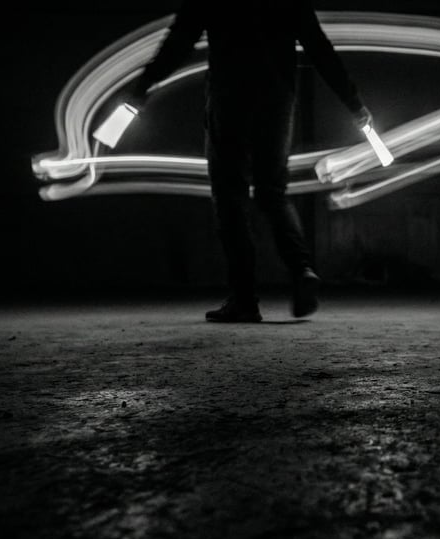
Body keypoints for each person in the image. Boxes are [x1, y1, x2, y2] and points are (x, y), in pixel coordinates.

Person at [128, 0, 373, 322]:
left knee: (230, 196)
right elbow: (319, 47)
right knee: (273, 192)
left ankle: (244, 299)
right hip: (277, 98)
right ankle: (302, 269)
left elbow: (179, 41)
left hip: (229, 96)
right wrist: (354, 104)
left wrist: (141, 87)